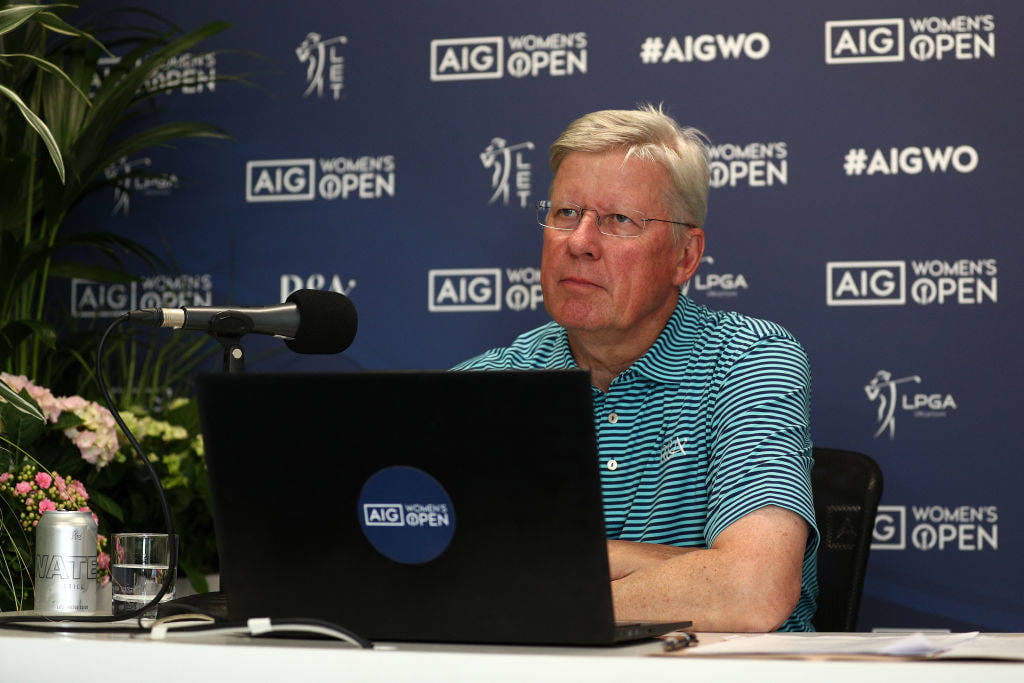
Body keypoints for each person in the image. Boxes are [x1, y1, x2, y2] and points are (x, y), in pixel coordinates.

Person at [454, 105, 817, 632]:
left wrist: (528, 592)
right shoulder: (486, 385)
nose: (579, 242)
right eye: (564, 214)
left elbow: (752, 590)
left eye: (619, 220)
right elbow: (433, 578)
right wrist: (667, 566)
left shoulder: (748, 361)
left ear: (685, 256)